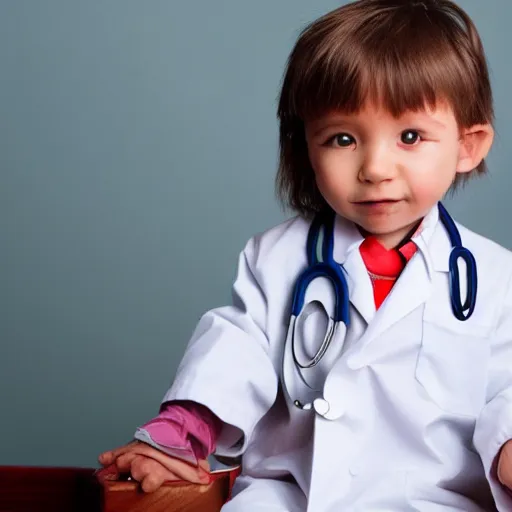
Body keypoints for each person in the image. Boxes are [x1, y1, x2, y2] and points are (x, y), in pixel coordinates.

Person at [98, 0, 512, 509]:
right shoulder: (277, 258)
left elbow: (507, 391)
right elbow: (238, 351)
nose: (375, 167)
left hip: (432, 498)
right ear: (307, 150)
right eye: (342, 138)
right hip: (293, 491)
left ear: (468, 145)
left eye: (410, 136)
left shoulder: (496, 280)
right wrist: (181, 430)